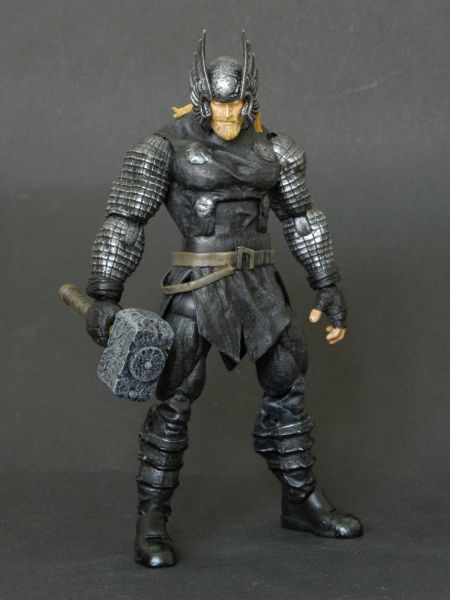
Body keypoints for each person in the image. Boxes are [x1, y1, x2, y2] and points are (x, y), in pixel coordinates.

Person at [85, 32, 363, 568]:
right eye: (219, 103)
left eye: (237, 103)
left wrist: (327, 284)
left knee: (288, 383)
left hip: (260, 287)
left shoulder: (275, 149)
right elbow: (125, 220)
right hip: (196, 286)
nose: (229, 113)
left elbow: (302, 219)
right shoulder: (163, 148)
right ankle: (151, 519)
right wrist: (104, 290)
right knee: (175, 397)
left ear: (250, 98)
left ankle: (301, 500)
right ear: (201, 98)